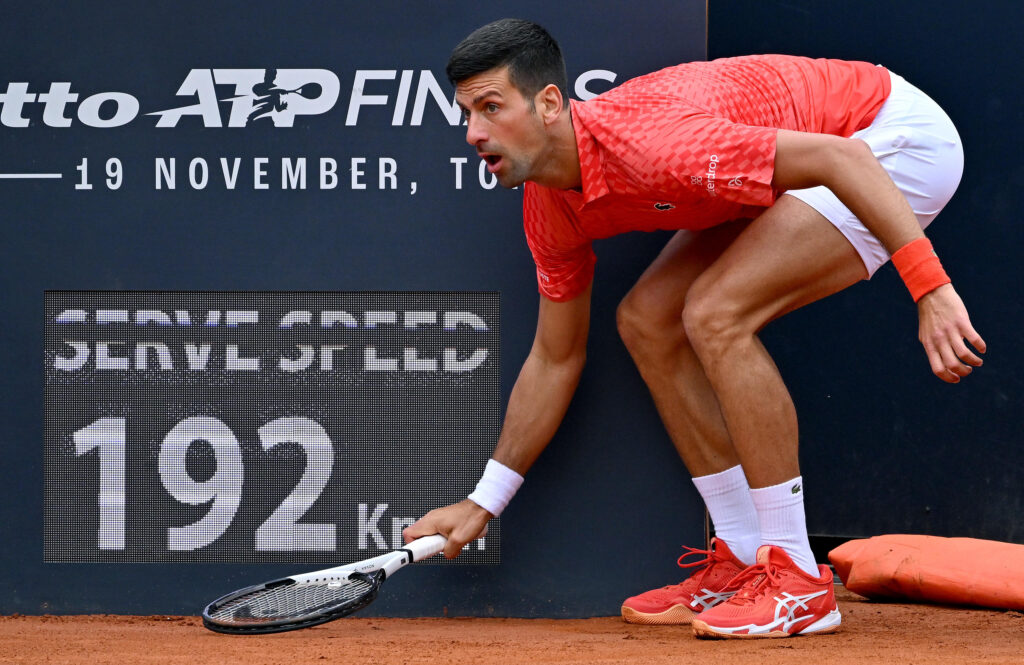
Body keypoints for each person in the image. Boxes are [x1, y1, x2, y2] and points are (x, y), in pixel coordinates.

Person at [403, 18, 986, 638]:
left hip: (887, 140)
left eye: (492, 108)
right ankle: (740, 556)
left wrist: (931, 288)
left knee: (716, 313)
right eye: (467, 114)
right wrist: (484, 500)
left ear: (550, 103)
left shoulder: (654, 145)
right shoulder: (549, 206)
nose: (475, 133)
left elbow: (844, 158)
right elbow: (554, 357)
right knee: (646, 321)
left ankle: (795, 576)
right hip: (824, 158)